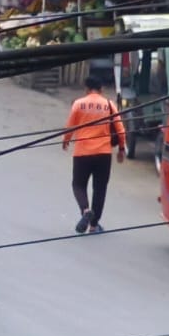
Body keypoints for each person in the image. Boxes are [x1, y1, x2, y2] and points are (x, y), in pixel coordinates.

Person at [63, 74, 127, 234]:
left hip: (82, 152)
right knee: (100, 189)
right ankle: (93, 225)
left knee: (78, 184)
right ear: (101, 89)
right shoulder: (109, 104)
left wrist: (66, 140)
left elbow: (70, 126)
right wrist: (121, 149)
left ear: (86, 89)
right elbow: (121, 130)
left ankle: (85, 210)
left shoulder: (78, 104)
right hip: (103, 154)